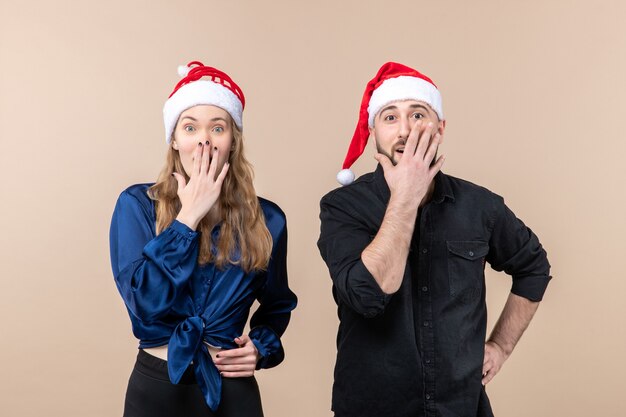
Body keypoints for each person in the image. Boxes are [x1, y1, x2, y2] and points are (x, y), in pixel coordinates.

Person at [317, 62, 551, 417]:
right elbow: (369, 295)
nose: (405, 130)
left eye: (418, 114)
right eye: (390, 117)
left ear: (440, 128)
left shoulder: (480, 205)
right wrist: (405, 197)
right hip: (371, 407)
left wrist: (501, 346)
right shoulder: (343, 207)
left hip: (460, 406)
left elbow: (533, 266)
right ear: (374, 132)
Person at [109, 61, 297, 417]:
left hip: (232, 391)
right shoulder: (137, 205)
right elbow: (144, 300)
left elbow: (278, 305)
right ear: (175, 139)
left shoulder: (268, 219)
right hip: (155, 390)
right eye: (190, 126)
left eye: (218, 127)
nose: (204, 140)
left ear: (232, 141)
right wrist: (187, 218)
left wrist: (260, 347)